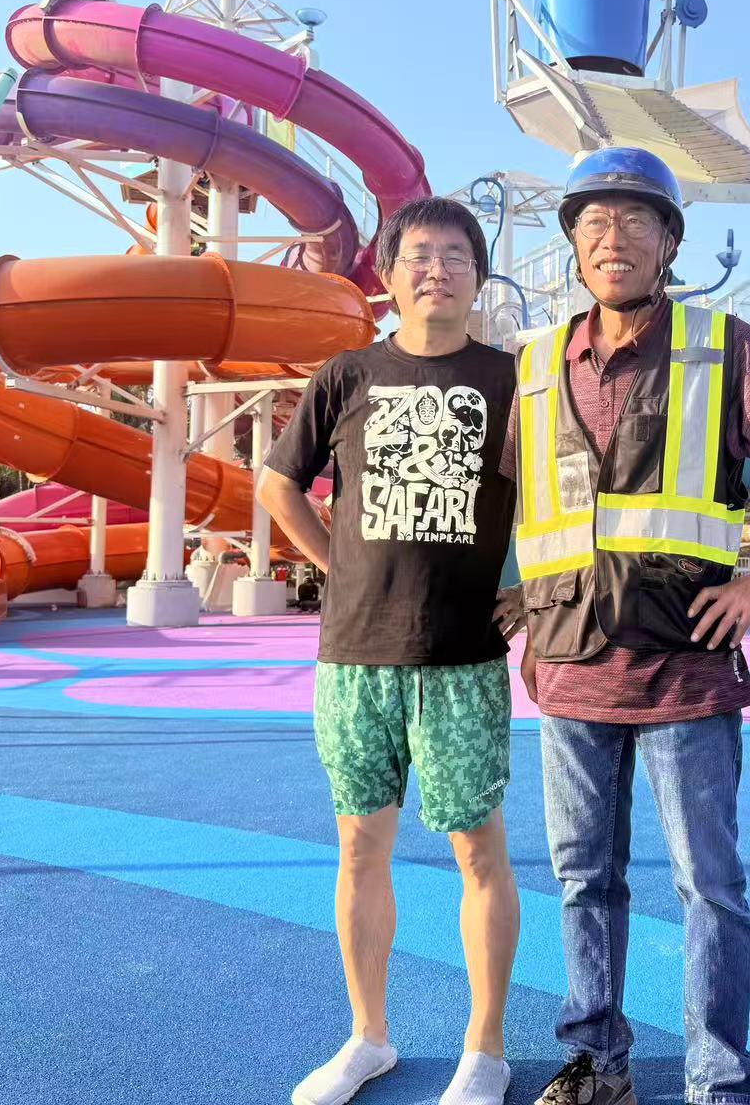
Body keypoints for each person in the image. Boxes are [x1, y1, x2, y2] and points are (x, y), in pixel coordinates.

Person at [511, 148, 750, 1105]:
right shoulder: (538, 365)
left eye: (632, 222)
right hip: (567, 664)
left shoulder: (722, 346)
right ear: (572, 248)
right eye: (591, 225)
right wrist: (512, 599)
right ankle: (597, 1063)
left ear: (669, 241)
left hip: (685, 670)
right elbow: (518, 498)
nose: (609, 238)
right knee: (583, 882)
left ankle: (717, 1079)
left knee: (708, 888)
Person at [262, 197, 522, 1105]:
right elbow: (278, 481)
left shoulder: (512, 380)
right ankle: (366, 1037)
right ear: (388, 272)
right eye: (418, 254)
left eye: (455, 255)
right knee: (359, 851)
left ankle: (483, 1052)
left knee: (479, 855)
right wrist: (330, 564)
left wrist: (531, 587)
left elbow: (562, 499)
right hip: (354, 654)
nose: (436, 269)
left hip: (465, 655)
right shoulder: (346, 374)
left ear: (477, 276)